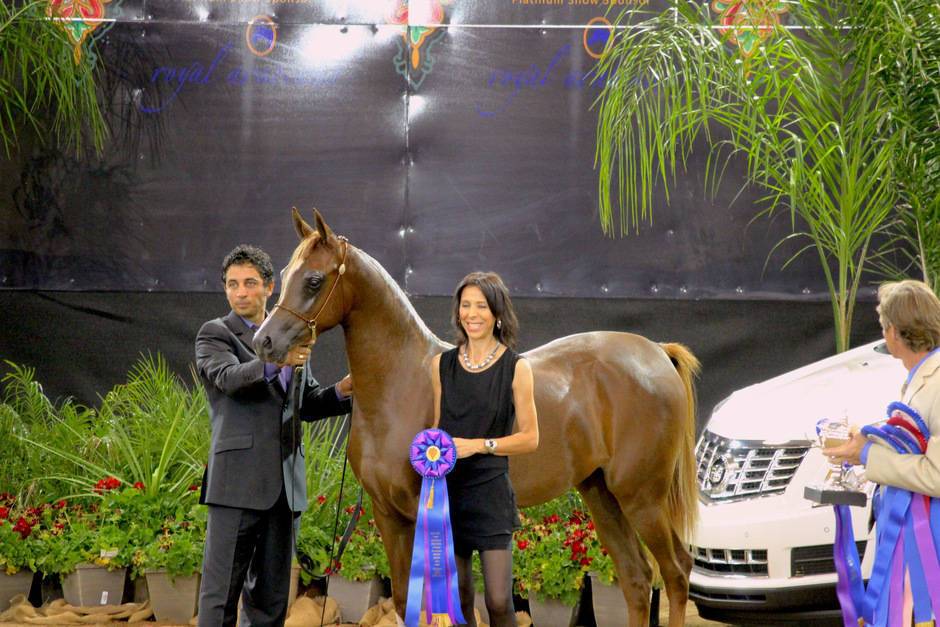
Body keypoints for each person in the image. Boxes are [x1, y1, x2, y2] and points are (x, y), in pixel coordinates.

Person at [196, 244, 353, 627]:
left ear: (270, 288)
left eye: (250, 283)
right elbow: (228, 379)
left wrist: (343, 392)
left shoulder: (291, 336)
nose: (241, 292)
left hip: (284, 490)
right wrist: (275, 361)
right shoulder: (215, 334)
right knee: (219, 599)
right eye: (232, 284)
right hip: (236, 486)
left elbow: (307, 404)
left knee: (269, 601)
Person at [429, 271, 539, 627]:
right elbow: (437, 427)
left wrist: (479, 445)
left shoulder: (516, 367)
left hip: (490, 491)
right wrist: (428, 456)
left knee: (497, 599)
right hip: (449, 493)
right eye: (466, 305)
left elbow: (530, 437)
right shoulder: (441, 365)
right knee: (458, 597)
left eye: (481, 305)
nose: (472, 314)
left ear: (497, 313)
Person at [825, 279, 940, 496]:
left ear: (894, 333)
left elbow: (936, 476)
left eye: (883, 327)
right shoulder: (923, 375)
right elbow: (915, 445)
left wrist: (868, 454)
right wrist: (868, 439)